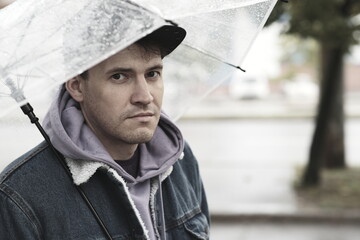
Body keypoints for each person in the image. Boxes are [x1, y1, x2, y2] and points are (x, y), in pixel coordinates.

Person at [0, 25, 210, 239]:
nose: (145, 96)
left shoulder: (181, 161)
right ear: (77, 87)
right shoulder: (21, 196)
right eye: (119, 76)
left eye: (152, 74)